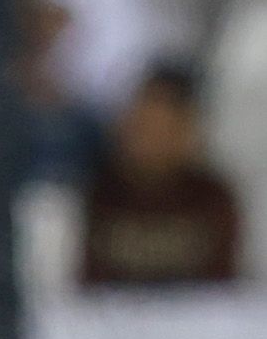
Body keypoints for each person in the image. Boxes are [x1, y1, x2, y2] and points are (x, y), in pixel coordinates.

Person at [80, 63, 243, 286]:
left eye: (163, 130)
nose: (149, 142)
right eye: (141, 127)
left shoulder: (213, 197)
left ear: (187, 131)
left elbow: (222, 286)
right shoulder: (99, 191)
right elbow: (88, 283)